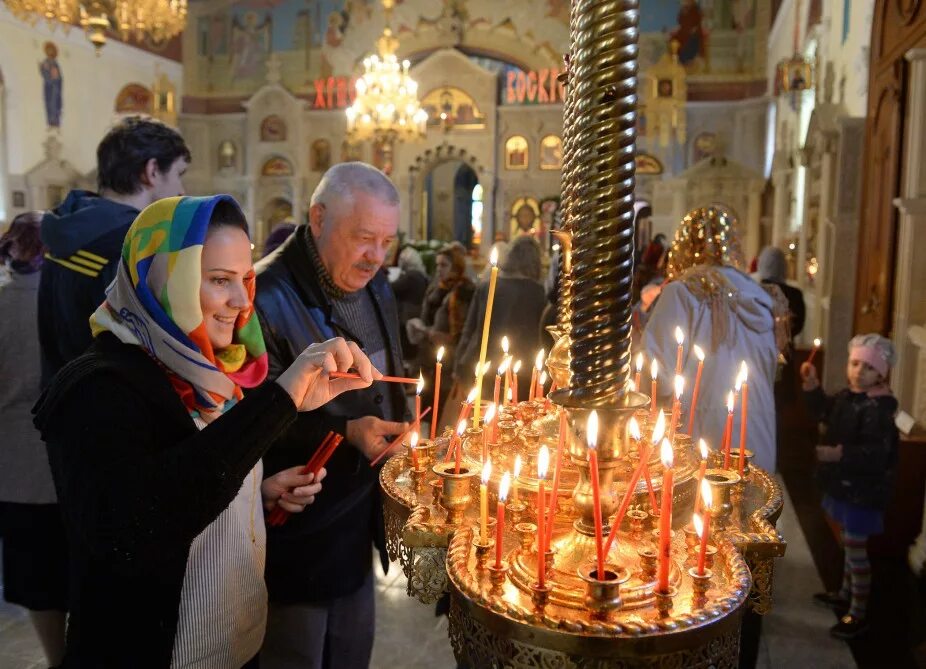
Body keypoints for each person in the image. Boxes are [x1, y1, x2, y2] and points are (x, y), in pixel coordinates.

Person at [32, 195, 376, 667]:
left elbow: (197, 484)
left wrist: (255, 495)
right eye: (218, 281)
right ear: (164, 277)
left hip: (233, 648)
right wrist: (283, 398)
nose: (241, 302)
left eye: (245, 279)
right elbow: (132, 533)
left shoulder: (214, 376)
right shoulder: (99, 388)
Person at [253, 162, 409, 669]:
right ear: (318, 218)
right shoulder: (265, 294)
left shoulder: (374, 282)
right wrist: (346, 430)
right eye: (365, 238)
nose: (376, 258)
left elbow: (388, 369)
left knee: (349, 651)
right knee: (296, 652)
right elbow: (249, 419)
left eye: (387, 241)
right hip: (299, 530)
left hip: (359, 511)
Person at [38, 115, 190, 387]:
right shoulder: (135, 244)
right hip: (117, 410)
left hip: (60, 404)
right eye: (179, 174)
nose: (181, 189)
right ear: (152, 170)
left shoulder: (63, 228)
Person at [643, 207, 779, 472]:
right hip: (756, 438)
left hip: (701, 439)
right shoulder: (760, 297)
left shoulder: (681, 293)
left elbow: (655, 377)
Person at [0, 213, 67, 668]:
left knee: (37, 582)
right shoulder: (73, 299)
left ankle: (56, 658)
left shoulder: (2, 302)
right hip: (70, 461)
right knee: (82, 572)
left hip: (16, 469)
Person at [801, 334, 899, 640]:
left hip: (863, 492)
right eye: (855, 363)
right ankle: (845, 594)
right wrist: (813, 386)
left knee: (856, 553)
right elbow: (824, 411)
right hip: (846, 486)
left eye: (868, 367)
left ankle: (858, 612)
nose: (859, 371)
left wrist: (838, 453)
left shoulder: (878, 410)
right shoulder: (849, 396)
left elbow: (876, 455)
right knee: (848, 543)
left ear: (881, 373)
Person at [454, 235, 547, 399]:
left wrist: (459, 365)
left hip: (484, 363)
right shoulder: (538, 292)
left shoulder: (487, 285)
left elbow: (470, 329)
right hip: (523, 370)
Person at [409, 242, 475, 423]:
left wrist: (432, 334)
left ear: (456, 266)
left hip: (448, 360)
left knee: (443, 414)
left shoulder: (463, 291)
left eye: (444, 265)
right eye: (437, 264)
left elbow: (461, 331)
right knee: (427, 412)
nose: (439, 269)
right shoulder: (438, 287)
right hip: (428, 357)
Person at [390, 246, 429, 365]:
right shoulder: (420, 274)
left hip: (406, 314)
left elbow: (392, 288)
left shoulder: (411, 276)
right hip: (415, 311)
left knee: (406, 345)